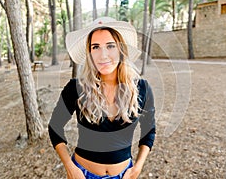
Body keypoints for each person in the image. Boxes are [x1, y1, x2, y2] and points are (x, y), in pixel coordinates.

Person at [48, 17, 156, 179]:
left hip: (124, 175)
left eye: (110, 46)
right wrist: (70, 168)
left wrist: (137, 168)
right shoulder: (76, 88)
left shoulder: (141, 88)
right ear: (89, 53)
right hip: (82, 174)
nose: (103, 54)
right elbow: (55, 126)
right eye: (95, 47)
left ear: (121, 49)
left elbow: (149, 131)